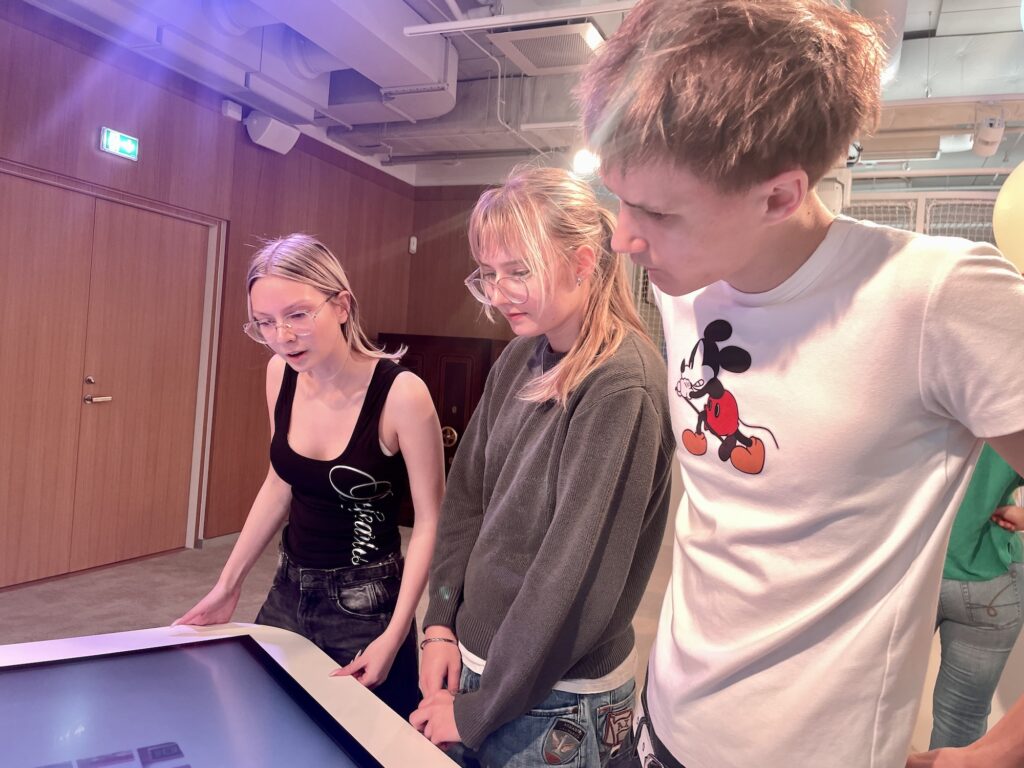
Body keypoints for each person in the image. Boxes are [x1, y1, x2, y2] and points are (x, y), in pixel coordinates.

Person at [575, 1, 1024, 766]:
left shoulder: (936, 296)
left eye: (656, 211)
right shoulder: (687, 281)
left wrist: (992, 754)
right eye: (618, 197)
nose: (623, 237)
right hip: (661, 727)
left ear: (780, 195)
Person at [409, 166, 675, 767]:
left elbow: (571, 576)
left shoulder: (620, 384)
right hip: (484, 670)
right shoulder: (518, 358)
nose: (498, 293)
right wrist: (441, 621)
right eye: (489, 274)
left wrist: (481, 708)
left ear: (582, 263)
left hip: (555, 703)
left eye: (519, 271)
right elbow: (467, 501)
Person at [174, 233, 444, 720]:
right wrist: (228, 583)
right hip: (287, 588)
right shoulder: (280, 373)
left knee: (367, 737)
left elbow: (430, 521)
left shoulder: (402, 394)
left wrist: (395, 633)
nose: (282, 336)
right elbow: (279, 483)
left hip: (368, 605)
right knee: (267, 722)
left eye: (297, 315)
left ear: (341, 306)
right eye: (264, 322)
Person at [931, 444, 1024, 748]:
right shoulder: (1010, 413)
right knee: (962, 723)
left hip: (909, 570)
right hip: (991, 579)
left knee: (870, 701)